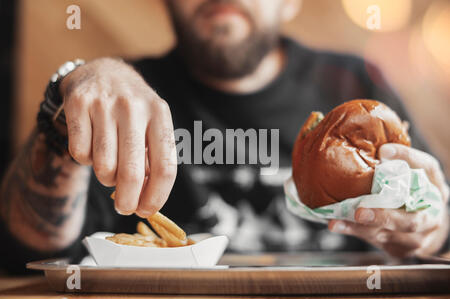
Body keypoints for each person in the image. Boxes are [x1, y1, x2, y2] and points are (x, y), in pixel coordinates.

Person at [0, 0, 448, 273]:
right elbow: (24, 250)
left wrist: (431, 230)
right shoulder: (119, 98)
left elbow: (438, 224)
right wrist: (64, 104)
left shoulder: (357, 83)